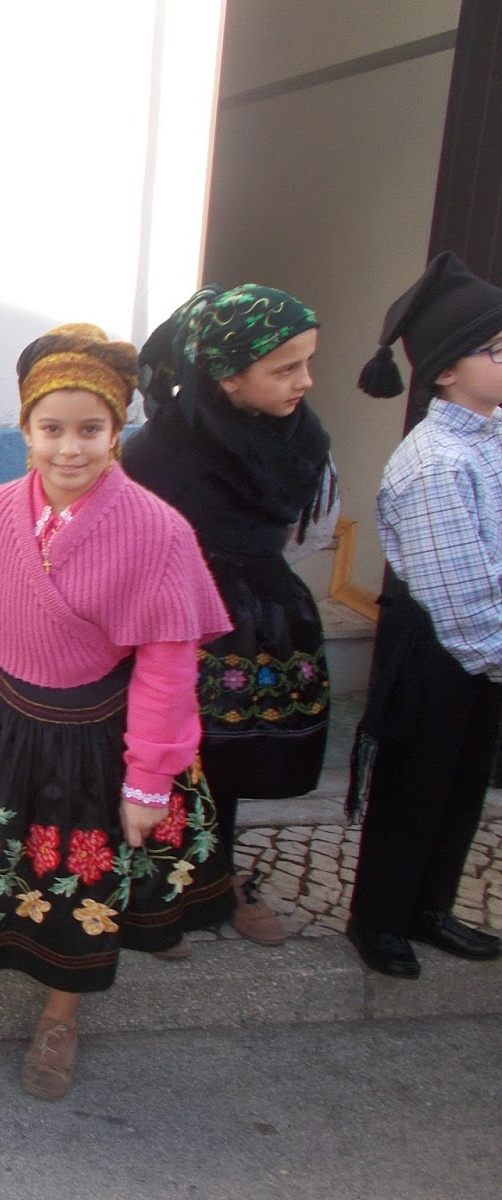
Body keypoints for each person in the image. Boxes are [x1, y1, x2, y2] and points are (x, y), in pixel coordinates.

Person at [0, 324, 230, 1099]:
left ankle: (61, 1020)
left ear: (117, 430)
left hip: (93, 737)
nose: (70, 448)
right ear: (26, 429)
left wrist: (148, 779)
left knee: (74, 888)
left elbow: (167, 667)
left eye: (90, 429)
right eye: (52, 428)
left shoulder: (159, 531)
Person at [122, 285, 336, 947]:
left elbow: (312, 531)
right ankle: (154, 890)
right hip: (173, 619)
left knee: (230, 755)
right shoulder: (157, 452)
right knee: (169, 752)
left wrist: (255, 578)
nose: (305, 381)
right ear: (228, 375)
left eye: (307, 363)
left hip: (259, 615)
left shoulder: (303, 438)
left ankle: (218, 877)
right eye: (285, 368)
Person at [344, 251, 502, 979]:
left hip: (486, 646)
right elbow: (459, 596)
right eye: (494, 350)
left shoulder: (490, 439)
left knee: (463, 784)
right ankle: (379, 919)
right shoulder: (436, 462)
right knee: (415, 784)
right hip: (444, 647)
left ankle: (430, 907)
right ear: (444, 371)